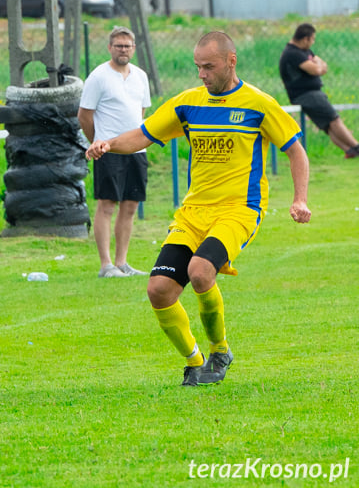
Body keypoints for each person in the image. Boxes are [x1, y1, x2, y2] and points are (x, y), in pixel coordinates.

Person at [86, 32, 311, 387]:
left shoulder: (259, 104)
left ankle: (220, 351)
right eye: (198, 67)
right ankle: (195, 361)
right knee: (158, 289)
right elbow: (142, 135)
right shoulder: (187, 103)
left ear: (230, 61)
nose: (202, 74)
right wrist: (107, 144)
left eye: (209, 67)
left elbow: (296, 150)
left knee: (201, 270)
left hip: (239, 209)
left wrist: (299, 198)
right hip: (193, 213)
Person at [78, 26, 151, 279]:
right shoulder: (98, 77)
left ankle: (122, 262)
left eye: (127, 46)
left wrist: (133, 140)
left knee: (130, 205)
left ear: (133, 48)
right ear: (110, 48)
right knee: (107, 204)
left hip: (136, 149)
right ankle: (105, 264)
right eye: (118, 46)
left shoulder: (140, 76)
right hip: (107, 150)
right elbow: (84, 115)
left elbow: (141, 112)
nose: (123, 50)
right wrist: (97, 142)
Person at [279, 23, 359, 158]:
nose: (313, 42)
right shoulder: (293, 53)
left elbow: (323, 66)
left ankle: (350, 150)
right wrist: (319, 67)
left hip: (310, 94)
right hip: (306, 95)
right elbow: (317, 69)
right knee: (334, 120)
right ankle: (356, 146)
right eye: (313, 39)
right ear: (305, 39)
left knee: (328, 126)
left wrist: (319, 67)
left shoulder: (304, 51)